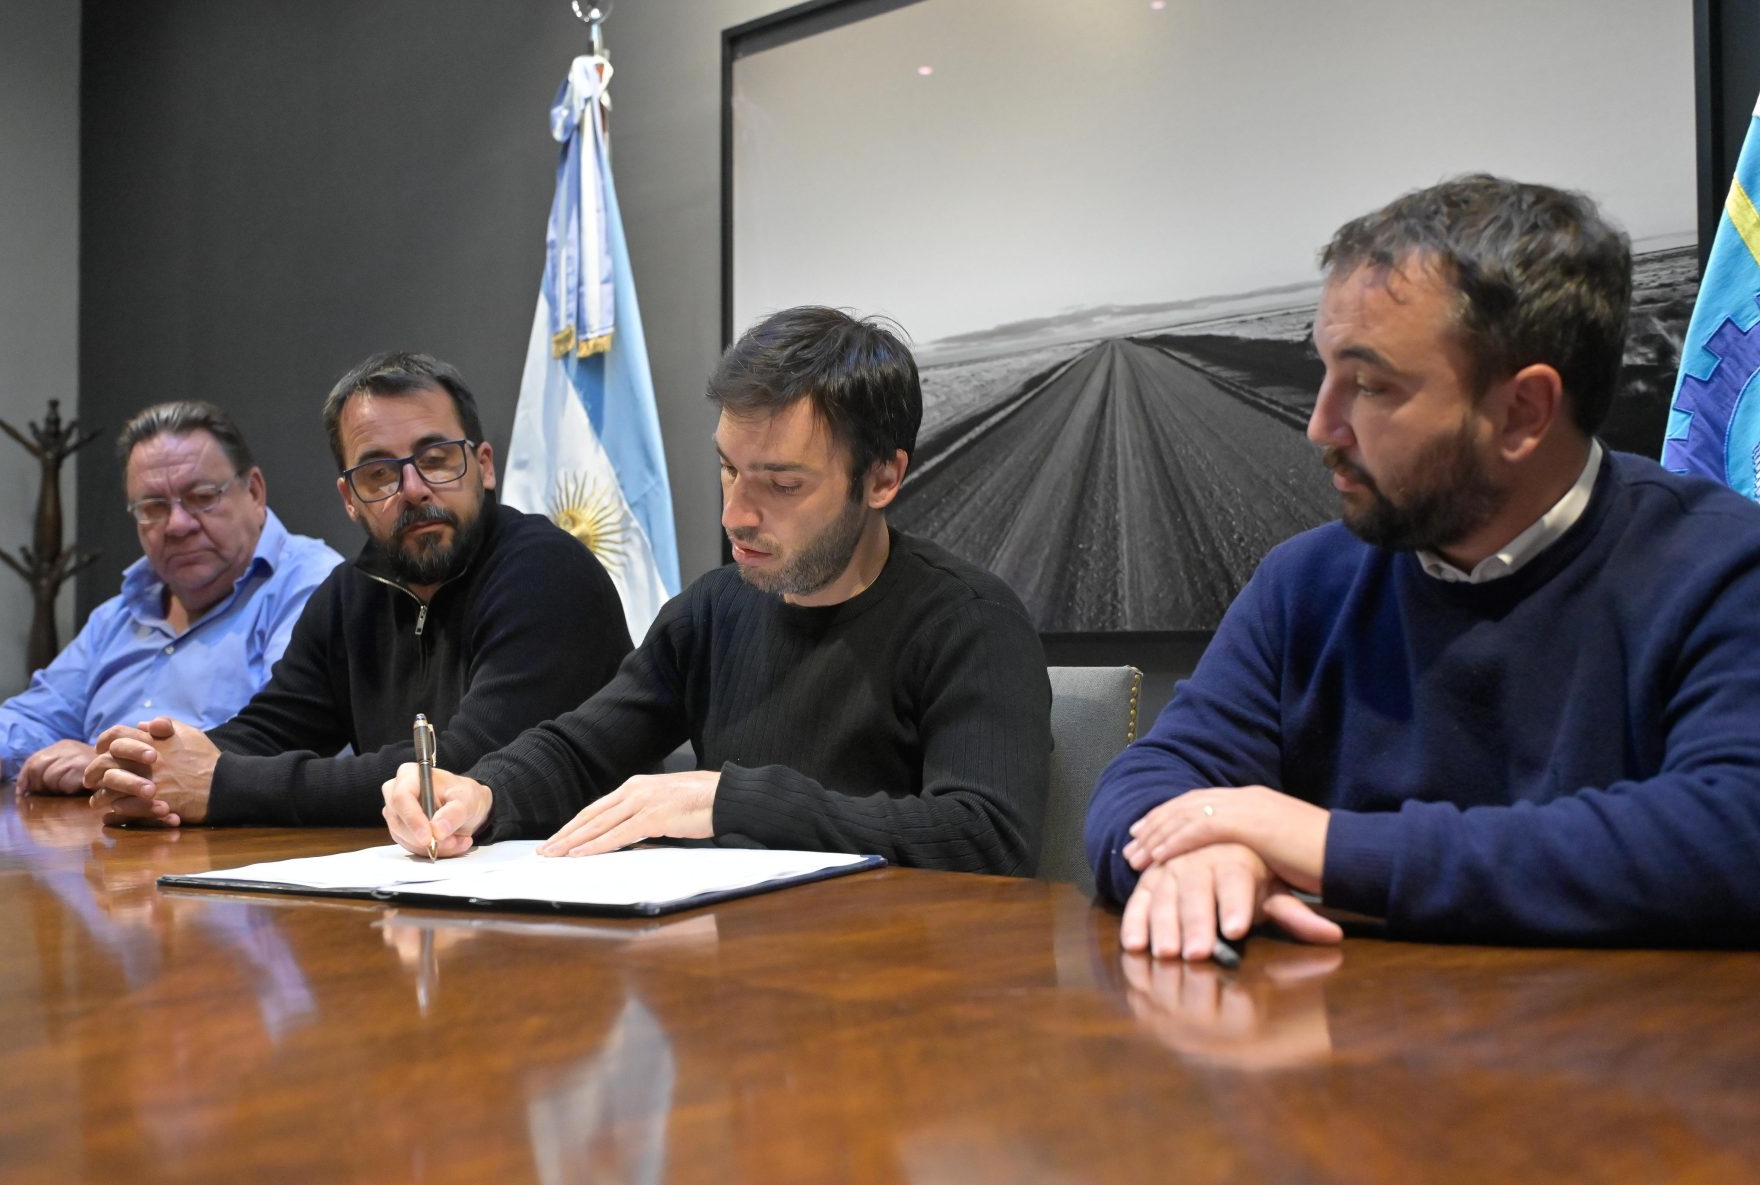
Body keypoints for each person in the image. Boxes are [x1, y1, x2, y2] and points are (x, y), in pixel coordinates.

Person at [1088, 174, 1760, 954]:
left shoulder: (1719, 566)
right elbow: (1150, 782)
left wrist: (1324, 846)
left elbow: (1732, 834)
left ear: (1523, 412)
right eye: (1323, 371)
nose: (1320, 426)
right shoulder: (1304, 583)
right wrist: (1205, 855)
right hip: (1346, 1026)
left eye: (1370, 385)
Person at [379, 306, 1052, 875]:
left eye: (782, 484)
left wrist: (733, 801)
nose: (734, 514)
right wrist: (482, 793)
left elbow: (986, 834)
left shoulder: (971, 622)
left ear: (881, 479)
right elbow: (583, 748)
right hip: (732, 965)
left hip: (893, 972)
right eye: (728, 469)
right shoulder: (713, 609)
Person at [84, 351, 630, 827]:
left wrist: (221, 784)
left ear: (483, 468)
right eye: (379, 474)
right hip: (418, 879)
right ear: (349, 498)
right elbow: (274, 727)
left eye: (436, 459)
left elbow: (460, 766)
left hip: (575, 885)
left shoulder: (546, 571)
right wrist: (153, 768)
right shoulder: (351, 592)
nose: (413, 489)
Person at [0, 402, 340, 796]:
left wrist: (119, 762)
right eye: (153, 507)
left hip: (235, 828)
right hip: (94, 826)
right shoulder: (120, 614)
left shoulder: (314, 586)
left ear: (255, 492)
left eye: (201, 497)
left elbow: (283, 732)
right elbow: (42, 712)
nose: (178, 525)